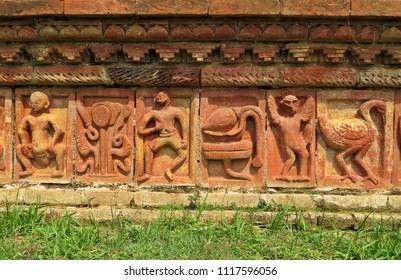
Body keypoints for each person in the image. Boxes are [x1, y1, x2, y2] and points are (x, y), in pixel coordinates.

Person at [137, 91, 188, 182]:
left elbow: (184, 123)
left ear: (168, 97)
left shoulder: (175, 111)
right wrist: (154, 129)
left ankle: (169, 169)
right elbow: (140, 130)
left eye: (162, 95)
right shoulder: (154, 113)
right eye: (157, 96)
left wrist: (185, 139)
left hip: (173, 136)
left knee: (183, 154)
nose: (158, 97)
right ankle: (147, 174)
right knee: (149, 149)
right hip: (162, 137)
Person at [16, 91, 66, 177]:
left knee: (61, 148)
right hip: (33, 152)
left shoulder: (49, 117)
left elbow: (59, 130)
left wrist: (52, 143)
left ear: (46, 104)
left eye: (36, 103)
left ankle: (60, 170)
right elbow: (21, 129)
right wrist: (25, 143)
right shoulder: (28, 118)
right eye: (31, 103)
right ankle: (28, 168)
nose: (33, 105)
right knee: (18, 148)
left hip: (48, 152)